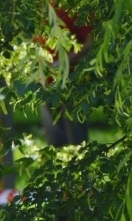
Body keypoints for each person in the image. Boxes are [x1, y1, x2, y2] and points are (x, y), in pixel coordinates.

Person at [40, 7, 93, 147]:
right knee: (55, 143)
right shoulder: (40, 6)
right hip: (45, 81)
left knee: (77, 142)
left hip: (71, 81)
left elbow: (89, 42)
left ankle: (80, 167)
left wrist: (63, 62)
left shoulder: (78, 6)